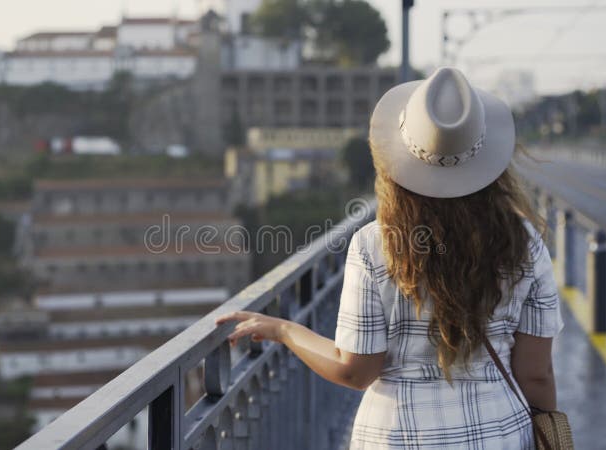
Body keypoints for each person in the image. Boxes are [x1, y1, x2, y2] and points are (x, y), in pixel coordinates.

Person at [215, 66, 564, 449]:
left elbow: (356, 371)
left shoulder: (374, 244)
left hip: (396, 435)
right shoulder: (524, 242)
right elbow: (536, 376)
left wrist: (284, 330)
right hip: (496, 432)